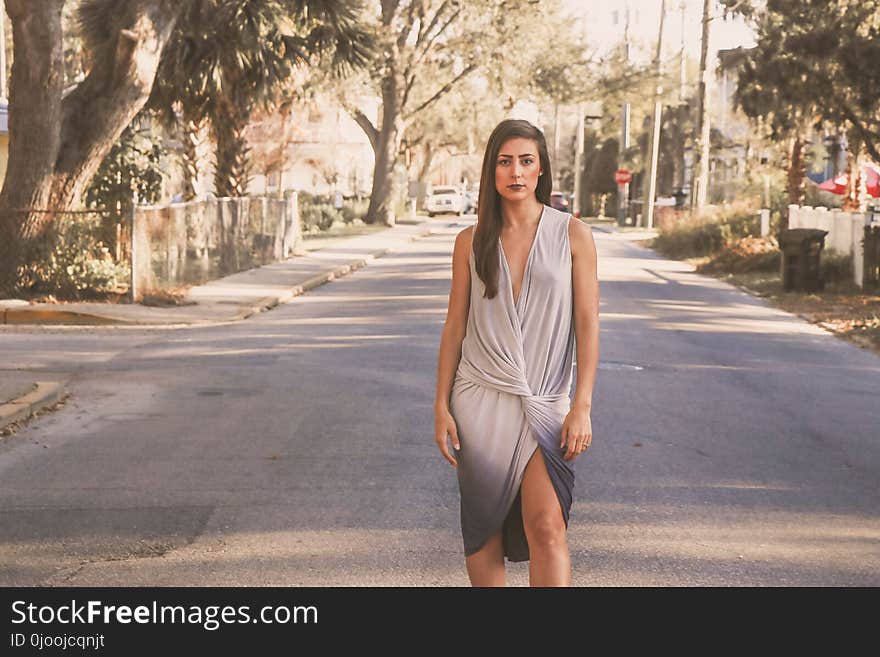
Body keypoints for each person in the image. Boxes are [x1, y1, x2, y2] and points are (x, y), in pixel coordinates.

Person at [433, 118, 600, 587]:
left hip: (545, 400)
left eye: (526, 161)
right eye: (505, 162)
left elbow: (587, 325)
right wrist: (440, 405)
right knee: (483, 531)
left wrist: (582, 405)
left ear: (542, 168)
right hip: (479, 398)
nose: (516, 172)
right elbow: (455, 327)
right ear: (492, 171)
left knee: (548, 525)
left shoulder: (572, 234)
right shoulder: (469, 241)